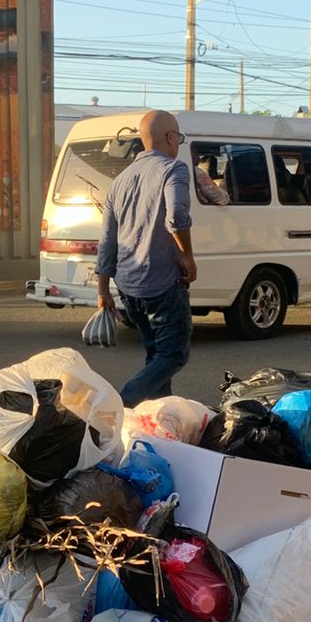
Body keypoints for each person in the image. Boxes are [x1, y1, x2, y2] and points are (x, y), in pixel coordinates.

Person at [95, 109, 196, 407]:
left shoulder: (120, 181)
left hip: (129, 289)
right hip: (163, 284)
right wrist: (187, 256)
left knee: (156, 356)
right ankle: (119, 404)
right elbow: (177, 215)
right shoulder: (173, 169)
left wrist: (103, 290)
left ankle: (159, 421)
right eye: (178, 136)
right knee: (174, 355)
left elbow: (106, 241)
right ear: (170, 137)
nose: (178, 142)